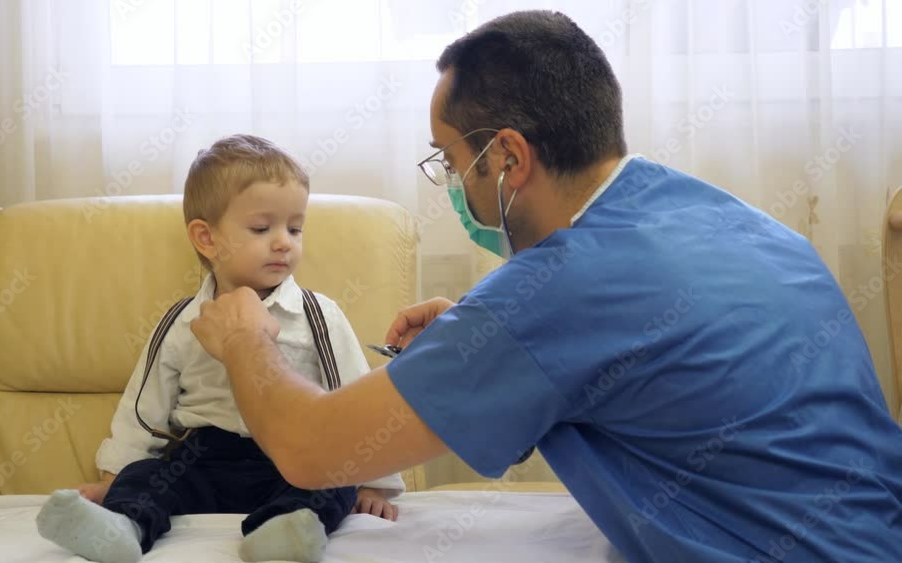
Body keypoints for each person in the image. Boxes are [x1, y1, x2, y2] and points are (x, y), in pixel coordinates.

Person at [189, 11, 902, 563]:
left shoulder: (553, 292)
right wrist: (481, 343)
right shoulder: (726, 217)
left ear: (507, 157)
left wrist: (248, 342)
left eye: (451, 158)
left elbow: (311, 449)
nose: (451, 182)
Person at [34, 134, 404, 563]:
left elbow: (359, 398)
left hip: (293, 455)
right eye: (263, 228)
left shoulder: (319, 316)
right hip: (201, 460)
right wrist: (114, 479)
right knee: (146, 476)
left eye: (295, 228)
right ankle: (123, 526)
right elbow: (144, 406)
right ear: (206, 239)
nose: (284, 241)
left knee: (332, 479)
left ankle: (282, 533)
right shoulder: (181, 321)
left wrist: (375, 483)